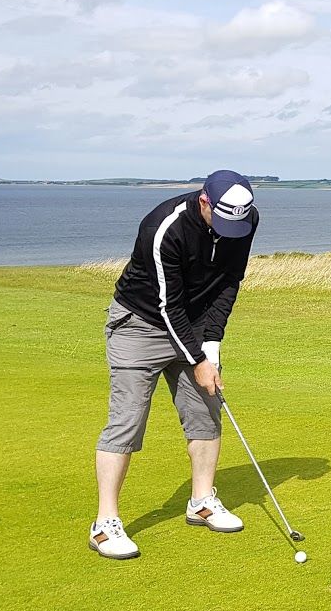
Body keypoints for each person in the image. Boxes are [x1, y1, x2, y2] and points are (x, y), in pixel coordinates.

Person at [88, 170, 260, 560]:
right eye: (224, 220)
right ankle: (104, 525)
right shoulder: (163, 227)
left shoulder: (245, 219)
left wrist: (212, 344)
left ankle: (201, 502)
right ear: (204, 202)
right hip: (140, 325)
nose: (234, 229)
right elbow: (168, 305)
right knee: (127, 420)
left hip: (194, 324)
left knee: (206, 411)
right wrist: (197, 359)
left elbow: (230, 280)